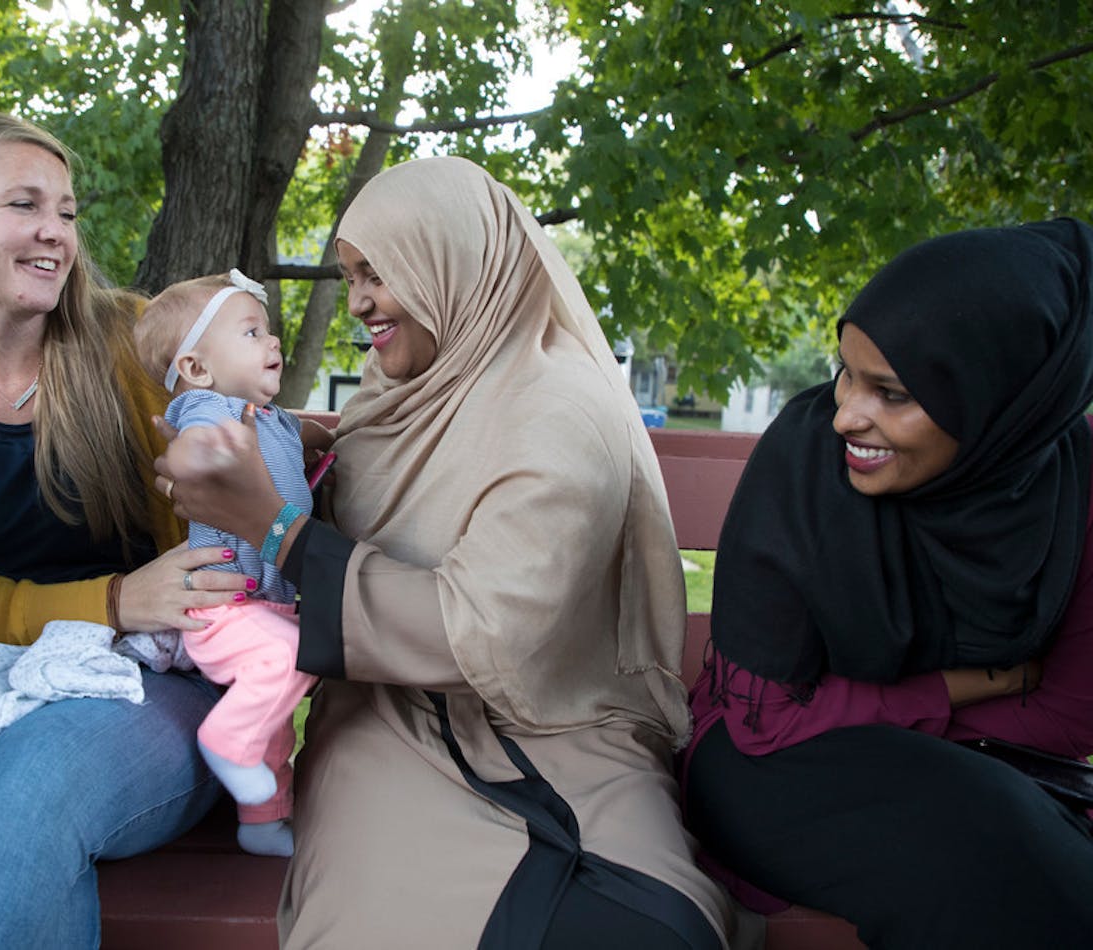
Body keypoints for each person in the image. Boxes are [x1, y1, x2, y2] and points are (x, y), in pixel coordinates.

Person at [155, 156, 751, 949]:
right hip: (383, 718)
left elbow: (486, 631)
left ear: (454, 260)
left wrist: (277, 531)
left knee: (640, 925)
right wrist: (283, 448)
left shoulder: (560, 415)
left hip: (554, 723)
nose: (360, 301)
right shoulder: (401, 392)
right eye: (351, 275)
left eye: (378, 273)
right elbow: (357, 469)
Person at [0, 111, 248, 946]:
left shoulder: (134, 348)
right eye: (25, 205)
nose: (55, 234)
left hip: (148, 690)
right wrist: (113, 598)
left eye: (66, 212)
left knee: (26, 783)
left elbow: (249, 452)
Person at [683, 219, 1093, 947]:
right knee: (995, 841)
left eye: (892, 392)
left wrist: (899, 718)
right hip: (769, 767)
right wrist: (981, 683)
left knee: (1014, 838)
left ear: (999, 402)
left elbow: (1067, 717)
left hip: (987, 771)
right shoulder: (806, 469)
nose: (846, 414)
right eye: (845, 371)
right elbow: (768, 719)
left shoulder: (1070, 488)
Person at [134, 267, 330, 857]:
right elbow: (190, 441)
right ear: (195, 367)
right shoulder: (208, 407)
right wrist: (196, 455)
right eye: (251, 333)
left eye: (268, 332)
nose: (272, 342)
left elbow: (313, 434)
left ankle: (262, 822)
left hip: (266, 601)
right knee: (292, 655)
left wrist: (337, 439)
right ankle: (224, 739)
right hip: (223, 604)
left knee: (274, 722)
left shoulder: (273, 420)